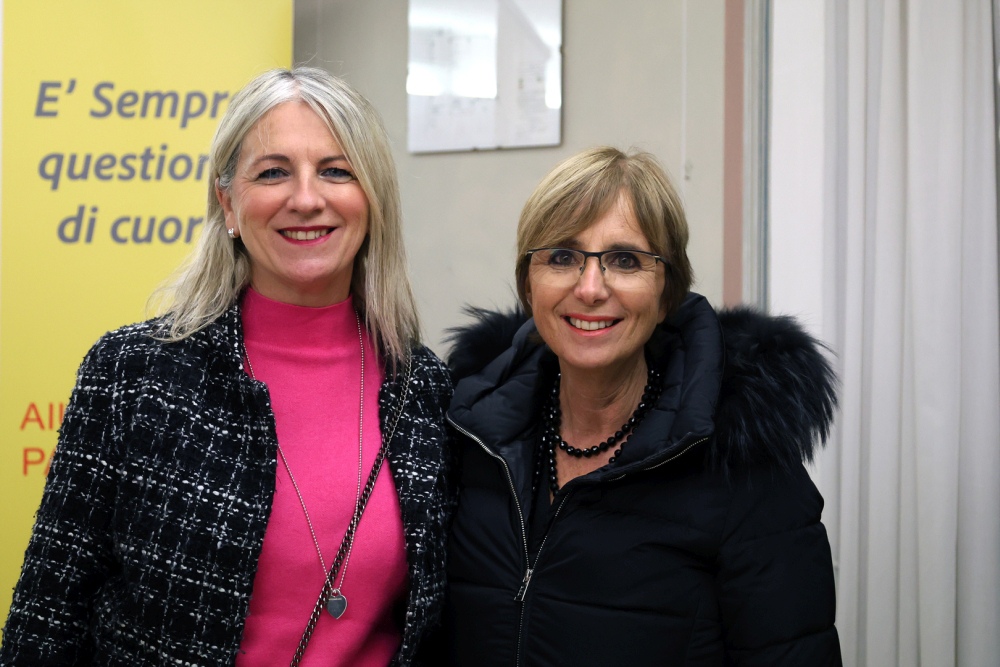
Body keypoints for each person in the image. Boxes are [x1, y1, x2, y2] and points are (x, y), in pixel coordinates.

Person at [0, 67, 452, 666]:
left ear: (373, 199)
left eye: (336, 171)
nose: (306, 198)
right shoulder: (133, 375)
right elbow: (46, 618)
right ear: (228, 204)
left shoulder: (423, 387)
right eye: (273, 172)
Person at [443, 147, 842, 665]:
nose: (590, 288)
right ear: (527, 283)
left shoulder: (744, 465)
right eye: (561, 256)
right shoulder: (467, 436)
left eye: (625, 260)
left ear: (666, 293)